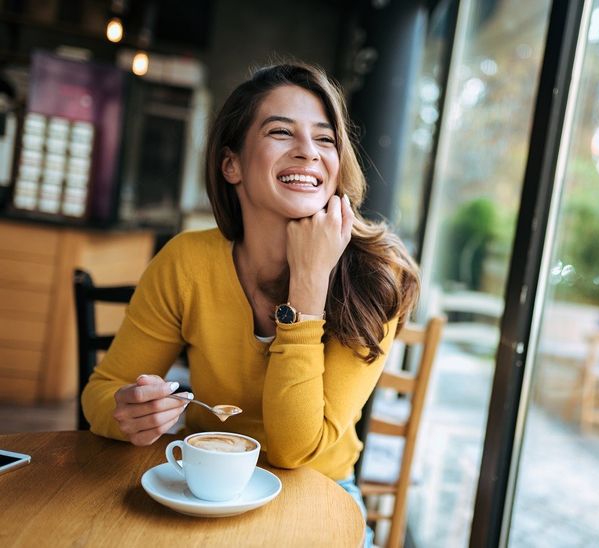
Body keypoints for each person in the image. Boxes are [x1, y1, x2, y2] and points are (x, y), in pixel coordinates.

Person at [81, 62, 420, 536]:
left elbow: (293, 450)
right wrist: (127, 413)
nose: (308, 152)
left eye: (325, 139)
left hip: (318, 492)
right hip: (205, 484)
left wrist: (308, 282)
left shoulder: (374, 276)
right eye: (281, 132)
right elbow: (102, 393)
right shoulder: (186, 262)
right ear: (231, 164)